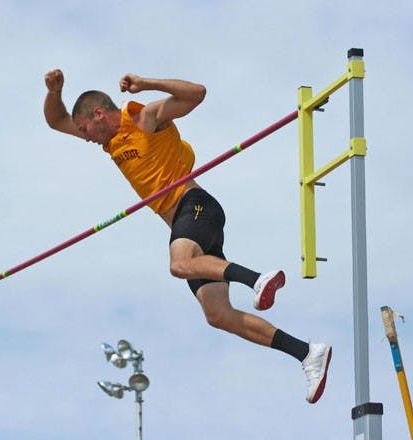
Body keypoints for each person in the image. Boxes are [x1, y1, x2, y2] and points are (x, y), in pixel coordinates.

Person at [43, 69, 332, 403]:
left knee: (180, 264)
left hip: (195, 207)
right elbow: (55, 120)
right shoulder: (109, 141)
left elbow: (196, 92)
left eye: (85, 130)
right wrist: (55, 92)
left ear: (98, 114)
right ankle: (308, 353)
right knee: (218, 315)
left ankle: (257, 279)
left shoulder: (142, 119)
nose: (87, 138)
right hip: (188, 228)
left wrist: (147, 84)